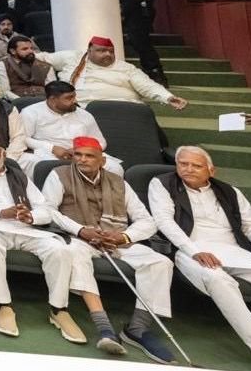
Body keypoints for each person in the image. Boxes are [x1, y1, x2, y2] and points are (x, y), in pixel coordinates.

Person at [41, 136, 176, 363]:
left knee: (161, 263)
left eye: (89, 156)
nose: (82, 159)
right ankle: (104, 328)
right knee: (74, 254)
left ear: (102, 161)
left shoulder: (118, 182)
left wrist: (124, 236)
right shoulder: (59, 175)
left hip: (117, 239)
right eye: (78, 155)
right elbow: (49, 210)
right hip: (80, 237)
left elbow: (146, 220)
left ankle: (137, 329)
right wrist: (81, 230)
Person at [0, 129, 85, 342]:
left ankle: (59, 309)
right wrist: (1, 213)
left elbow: (45, 209)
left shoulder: (18, 174)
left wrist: (31, 216)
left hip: (25, 228)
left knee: (59, 250)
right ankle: (4, 305)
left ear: (3, 153)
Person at [149, 146, 251, 365]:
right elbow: (164, 221)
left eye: (196, 165)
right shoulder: (162, 183)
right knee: (218, 279)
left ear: (211, 171)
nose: (188, 169)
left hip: (235, 250)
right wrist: (194, 251)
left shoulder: (230, 191)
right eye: (183, 164)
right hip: (190, 250)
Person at [36, 36, 187, 109]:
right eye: (102, 51)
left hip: (123, 109)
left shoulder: (126, 68)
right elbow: (41, 57)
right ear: (89, 50)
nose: (108, 54)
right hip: (80, 109)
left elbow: (147, 85)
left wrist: (168, 97)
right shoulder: (72, 57)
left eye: (111, 51)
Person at [21, 81, 123, 174]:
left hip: (83, 155)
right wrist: (52, 148)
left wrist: (83, 149)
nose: (75, 101)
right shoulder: (31, 112)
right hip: (47, 155)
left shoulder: (84, 115)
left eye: (74, 96)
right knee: (32, 163)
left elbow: (101, 142)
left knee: (114, 168)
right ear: (53, 99)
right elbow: (22, 138)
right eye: (69, 98)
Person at [121, 0, 166, 86]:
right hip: (135, 13)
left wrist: (124, 11)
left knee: (141, 42)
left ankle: (155, 71)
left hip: (139, 13)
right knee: (137, 41)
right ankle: (150, 70)